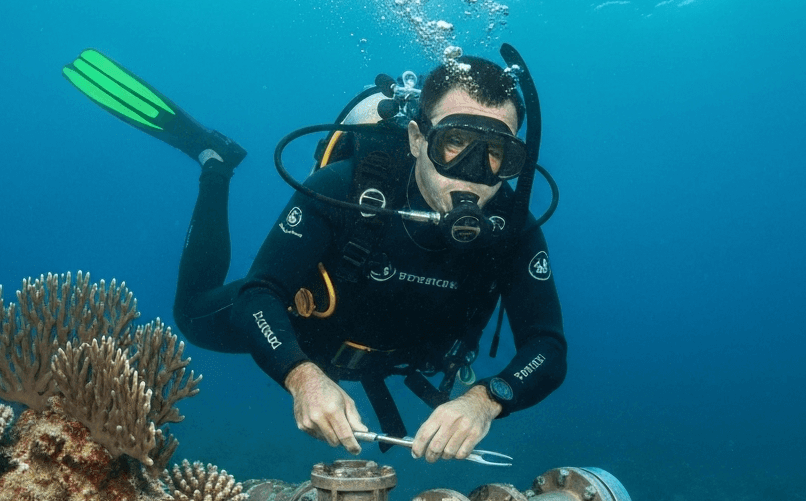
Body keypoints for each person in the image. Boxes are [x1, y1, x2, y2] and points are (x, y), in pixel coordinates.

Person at [63, 49, 566, 462]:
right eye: (454, 143)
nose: (474, 173)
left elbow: (547, 346)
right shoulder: (343, 189)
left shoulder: (512, 228)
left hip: (402, 355)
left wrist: (485, 400)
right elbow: (259, 295)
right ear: (417, 139)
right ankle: (214, 160)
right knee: (192, 316)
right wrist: (300, 376)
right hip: (309, 333)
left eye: (498, 153)